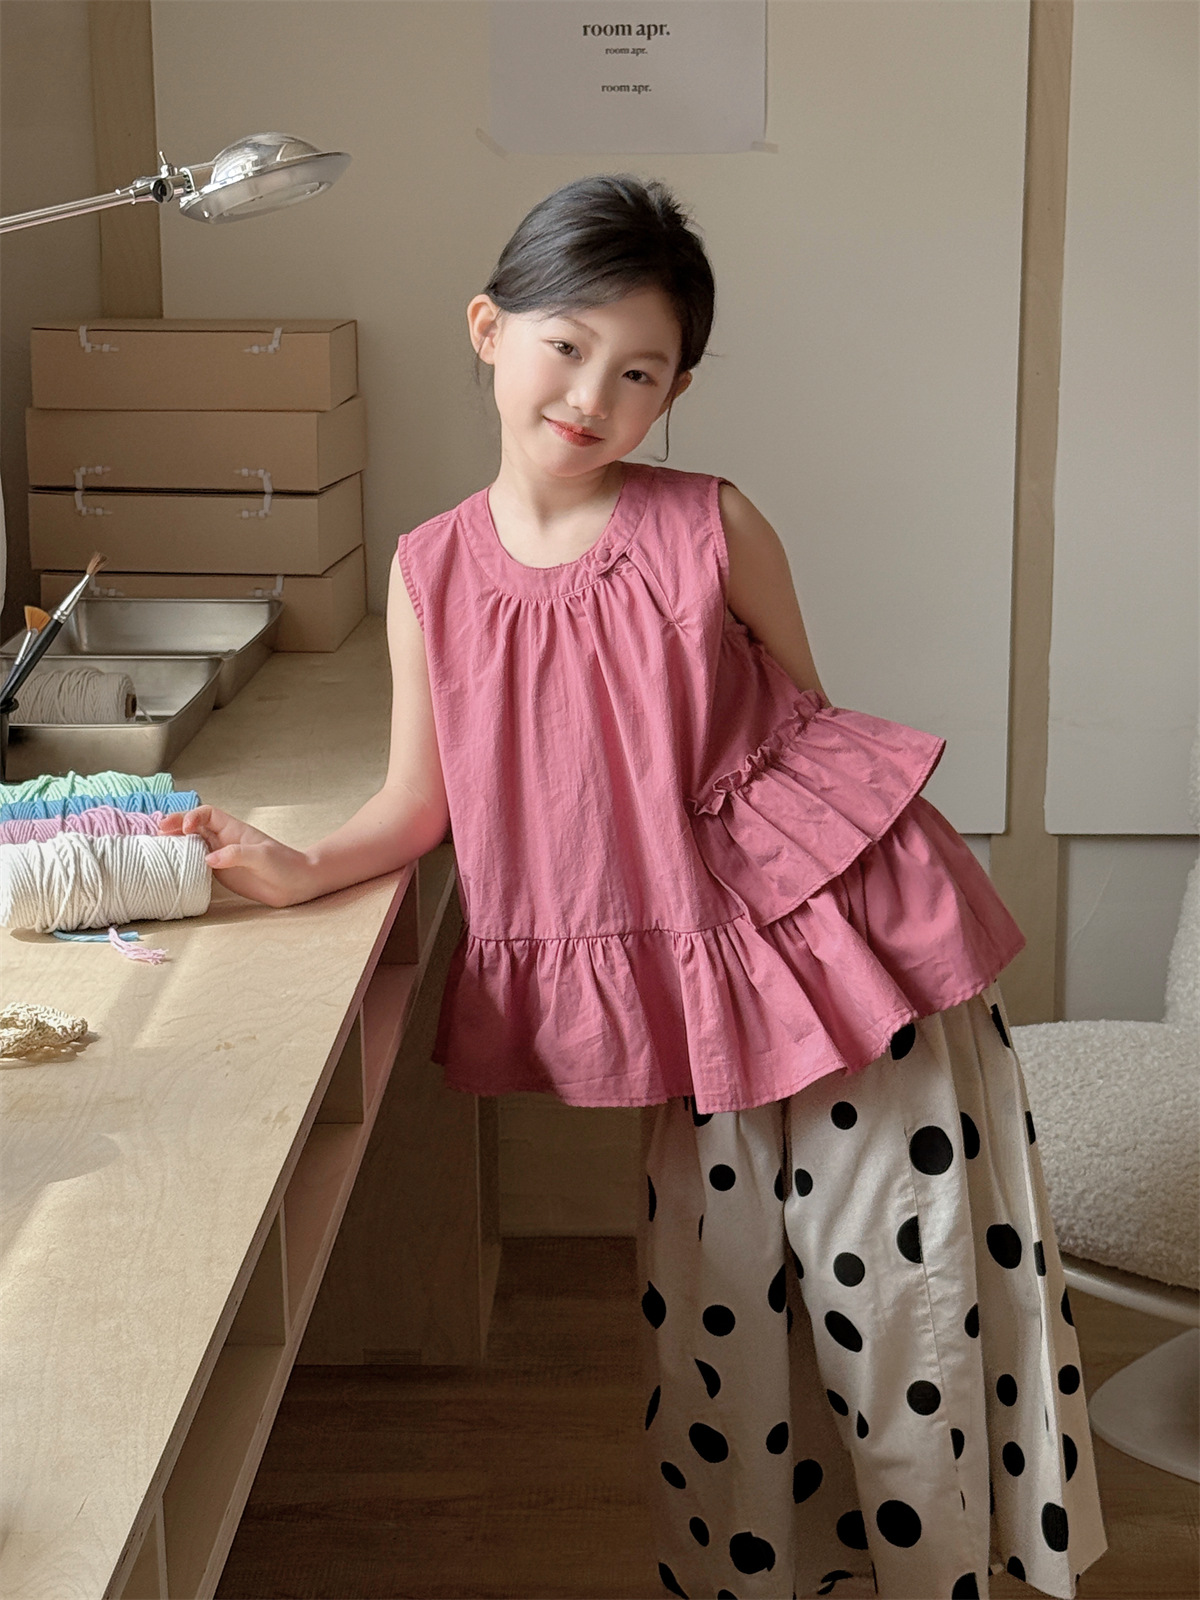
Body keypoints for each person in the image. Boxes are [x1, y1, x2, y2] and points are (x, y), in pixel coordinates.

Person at [160, 175, 1108, 1600]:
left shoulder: (713, 524)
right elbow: (422, 805)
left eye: (641, 373)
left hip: (842, 971)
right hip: (700, 1011)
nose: (593, 396)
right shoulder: (428, 572)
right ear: (488, 329)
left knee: (900, 1321)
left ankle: (941, 1582)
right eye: (567, 345)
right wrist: (303, 869)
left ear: (678, 392)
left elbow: (805, 743)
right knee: (726, 1337)